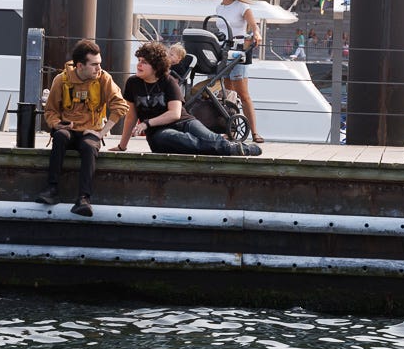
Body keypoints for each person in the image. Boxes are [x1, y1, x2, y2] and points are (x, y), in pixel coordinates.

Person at [111, 42, 261, 157]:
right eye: (139, 60)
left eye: (144, 62)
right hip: (159, 133)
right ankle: (234, 148)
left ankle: (235, 148)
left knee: (209, 137)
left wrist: (146, 123)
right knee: (185, 141)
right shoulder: (133, 83)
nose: (139, 64)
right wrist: (122, 146)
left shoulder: (168, 82)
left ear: (156, 66)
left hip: (184, 122)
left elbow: (175, 114)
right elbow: (131, 116)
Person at [35, 39, 129, 217]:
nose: (98, 69)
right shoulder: (61, 80)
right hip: (69, 131)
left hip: (90, 132)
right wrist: (58, 124)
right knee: (60, 136)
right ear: (80, 65)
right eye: (94, 65)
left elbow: (121, 106)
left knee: (89, 146)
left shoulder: (104, 79)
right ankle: (52, 189)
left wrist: (101, 132)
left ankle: (84, 199)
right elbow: (51, 111)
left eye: (99, 64)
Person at [213, 0, 265, 143]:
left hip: (238, 52)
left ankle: (255, 132)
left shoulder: (241, 6)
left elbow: (253, 26)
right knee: (228, 94)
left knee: (243, 93)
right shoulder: (219, 8)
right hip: (224, 51)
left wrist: (256, 34)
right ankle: (231, 130)